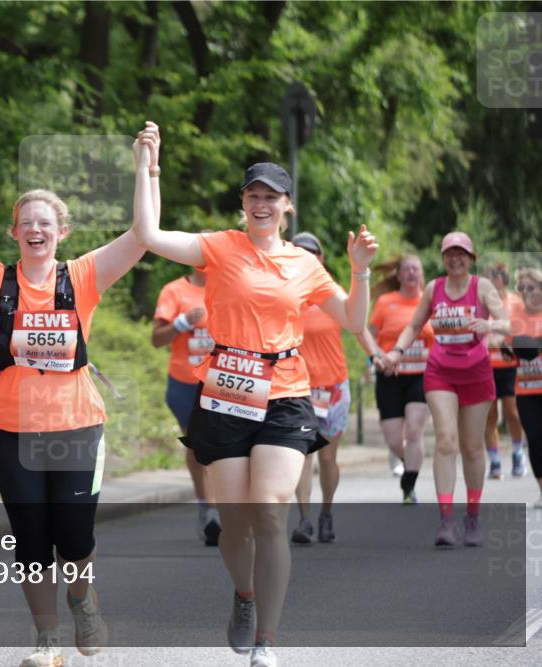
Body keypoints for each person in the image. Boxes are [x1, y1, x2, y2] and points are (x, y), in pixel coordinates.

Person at [0, 124, 158, 667]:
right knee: (31, 541)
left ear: (62, 232)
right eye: (26, 223)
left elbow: (141, 236)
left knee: (73, 538)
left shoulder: (84, 275)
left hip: (76, 426)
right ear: (14, 233)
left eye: (45, 223)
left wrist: (146, 167)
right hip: (11, 431)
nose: (35, 229)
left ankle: (82, 597)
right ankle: (47, 641)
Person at [133, 157, 377, 667]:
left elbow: (354, 319)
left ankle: (266, 640)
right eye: (253, 196)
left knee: (269, 510)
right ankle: (244, 594)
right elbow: (149, 234)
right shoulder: (220, 246)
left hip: (285, 393)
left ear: (287, 206)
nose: (261, 204)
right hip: (226, 391)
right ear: (243, 203)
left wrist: (359, 271)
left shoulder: (304, 264)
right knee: (234, 526)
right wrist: (147, 169)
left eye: (271, 197)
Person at [384, 232, 509, 548]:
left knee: (472, 447)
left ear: (471, 258)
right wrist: (397, 351)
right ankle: (446, 520)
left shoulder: (482, 287)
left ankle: (472, 517)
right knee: (445, 441)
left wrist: (490, 325)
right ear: (443, 258)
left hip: (477, 374)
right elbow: (414, 325)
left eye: (461, 254)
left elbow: (507, 322)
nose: (456, 259)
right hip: (441, 372)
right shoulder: (433, 288)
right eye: (450, 254)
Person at [289, 232, 352, 545]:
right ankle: (304, 520)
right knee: (302, 454)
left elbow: (358, 324)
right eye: (298, 250)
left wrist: (377, 355)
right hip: (298, 388)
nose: (304, 255)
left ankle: (326, 511)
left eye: (311, 252)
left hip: (333, 387)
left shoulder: (331, 293)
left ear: (320, 258)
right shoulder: (283, 295)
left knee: (327, 459)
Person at [357, 255, 433, 503]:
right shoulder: (385, 302)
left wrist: (425, 357)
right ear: (399, 275)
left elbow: (441, 342)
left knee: (414, 429)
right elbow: (371, 336)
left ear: (421, 274)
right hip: (389, 375)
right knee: (393, 439)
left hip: (421, 376)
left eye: (416, 269)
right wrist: (376, 359)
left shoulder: (430, 304)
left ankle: (409, 486)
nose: (411, 273)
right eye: (407, 269)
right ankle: (407, 459)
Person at [152, 269, 221, 544]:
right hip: (185, 382)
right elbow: (157, 340)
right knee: (197, 445)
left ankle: (220, 509)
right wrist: (181, 323)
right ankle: (208, 507)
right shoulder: (174, 291)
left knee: (219, 445)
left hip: (221, 380)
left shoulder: (230, 286)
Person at [484, 263, 526, 478]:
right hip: (486, 366)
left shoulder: (516, 301)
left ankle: (518, 453)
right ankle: (494, 462)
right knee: (490, 416)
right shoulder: (482, 302)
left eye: (488, 278)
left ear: (499, 279)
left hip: (510, 366)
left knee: (513, 413)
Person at [511, 268, 542, 508]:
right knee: (534, 439)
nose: (526, 292)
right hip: (526, 391)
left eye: (531, 287)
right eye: (521, 288)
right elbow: (502, 345)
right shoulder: (514, 318)